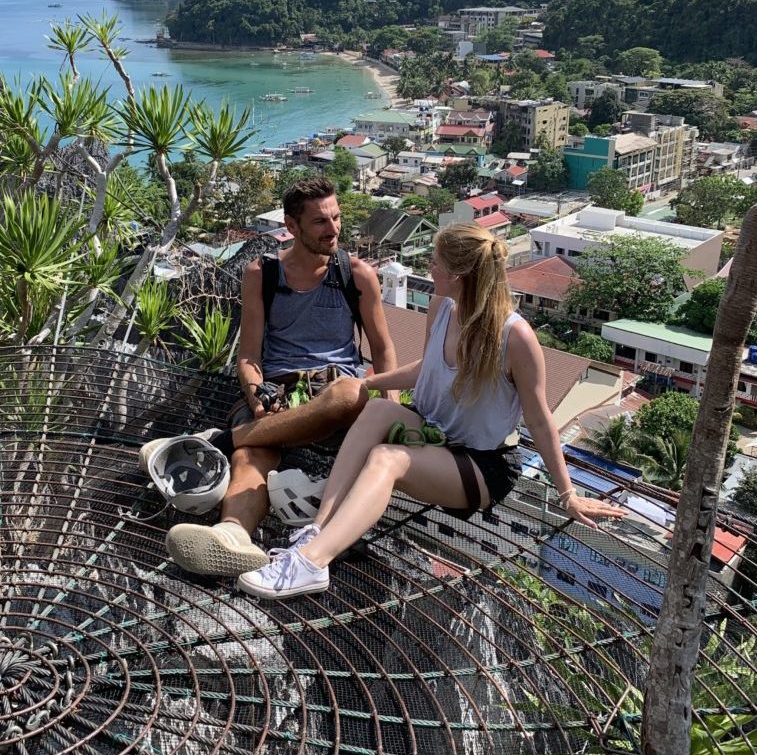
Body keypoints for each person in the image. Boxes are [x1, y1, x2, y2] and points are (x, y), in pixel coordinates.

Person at [238, 222, 628, 599]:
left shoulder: (515, 336)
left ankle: (311, 563)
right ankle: (318, 529)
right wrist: (366, 383)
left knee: (386, 458)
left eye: (438, 261)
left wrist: (567, 494)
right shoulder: (443, 306)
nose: (431, 268)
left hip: (480, 463)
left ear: (460, 274)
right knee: (376, 413)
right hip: (435, 433)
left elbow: (540, 420)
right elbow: (428, 368)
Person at [161, 176, 397, 577]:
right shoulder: (263, 274)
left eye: (337, 218)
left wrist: (391, 412)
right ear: (292, 226)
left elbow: (383, 348)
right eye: (321, 222)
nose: (334, 229)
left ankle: (218, 439)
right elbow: (250, 353)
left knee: (350, 394)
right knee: (252, 455)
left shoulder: (356, 275)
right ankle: (232, 536)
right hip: (280, 387)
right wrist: (256, 397)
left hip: (336, 387)